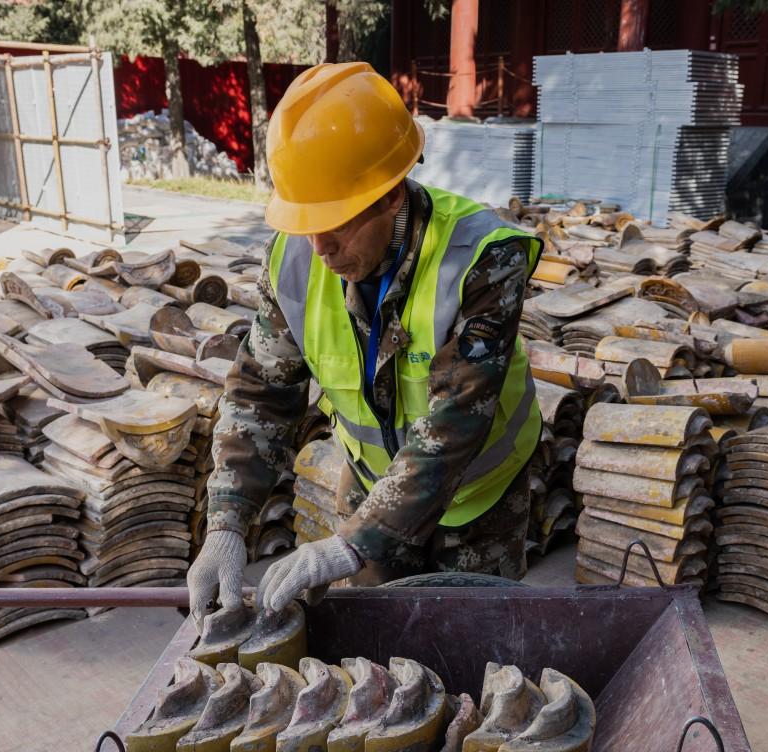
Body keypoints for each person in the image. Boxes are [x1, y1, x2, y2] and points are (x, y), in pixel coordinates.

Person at [186, 61, 542, 616]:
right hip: (374, 487)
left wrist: (354, 542)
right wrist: (227, 521)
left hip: (478, 502)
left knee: (474, 645)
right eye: (307, 221)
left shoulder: (483, 257)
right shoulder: (295, 263)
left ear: (391, 197)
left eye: (338, 221)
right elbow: (261, 392)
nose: (320, 246)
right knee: (380, 657)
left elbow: (455, 424)